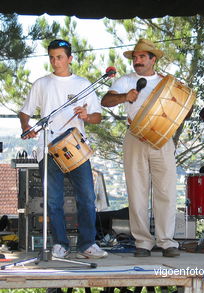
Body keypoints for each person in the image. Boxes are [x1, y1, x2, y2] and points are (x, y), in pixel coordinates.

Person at [19, 39, 108, 259]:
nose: (55, 61)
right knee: (53, 200)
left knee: (87, 197)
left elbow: (98, 116)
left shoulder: (82, 84)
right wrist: (26, 127)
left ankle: (88, 244)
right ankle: (60, 243)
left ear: (70, 58)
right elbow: (25, 111)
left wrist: (87, 116)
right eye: (51, 57)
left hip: (76, 147)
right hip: (47, 147)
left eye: (59, 57)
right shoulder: (41, 84)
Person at [101, 39, 180, 257]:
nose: (137, 61)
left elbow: (185, 108)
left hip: (163, 138)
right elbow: (105, 101)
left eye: (142, 57)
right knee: (137, 191)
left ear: (153, 59)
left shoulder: (167, 82)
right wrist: (124, 97)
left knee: (166, 191)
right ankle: (143, 242)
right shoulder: (126, 81)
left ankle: (166, 241)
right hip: (135, 136)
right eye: (135, 57)